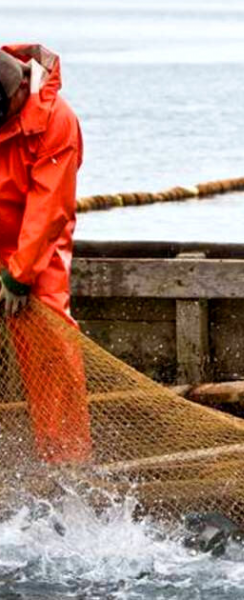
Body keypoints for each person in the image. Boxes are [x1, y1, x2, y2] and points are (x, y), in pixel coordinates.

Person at [0, 45, 91, 463]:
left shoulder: (57, 119)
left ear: (21, 87)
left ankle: (65, 461)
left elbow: (49, 204)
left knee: (52, 347)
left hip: (37, 247)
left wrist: (19, 275)